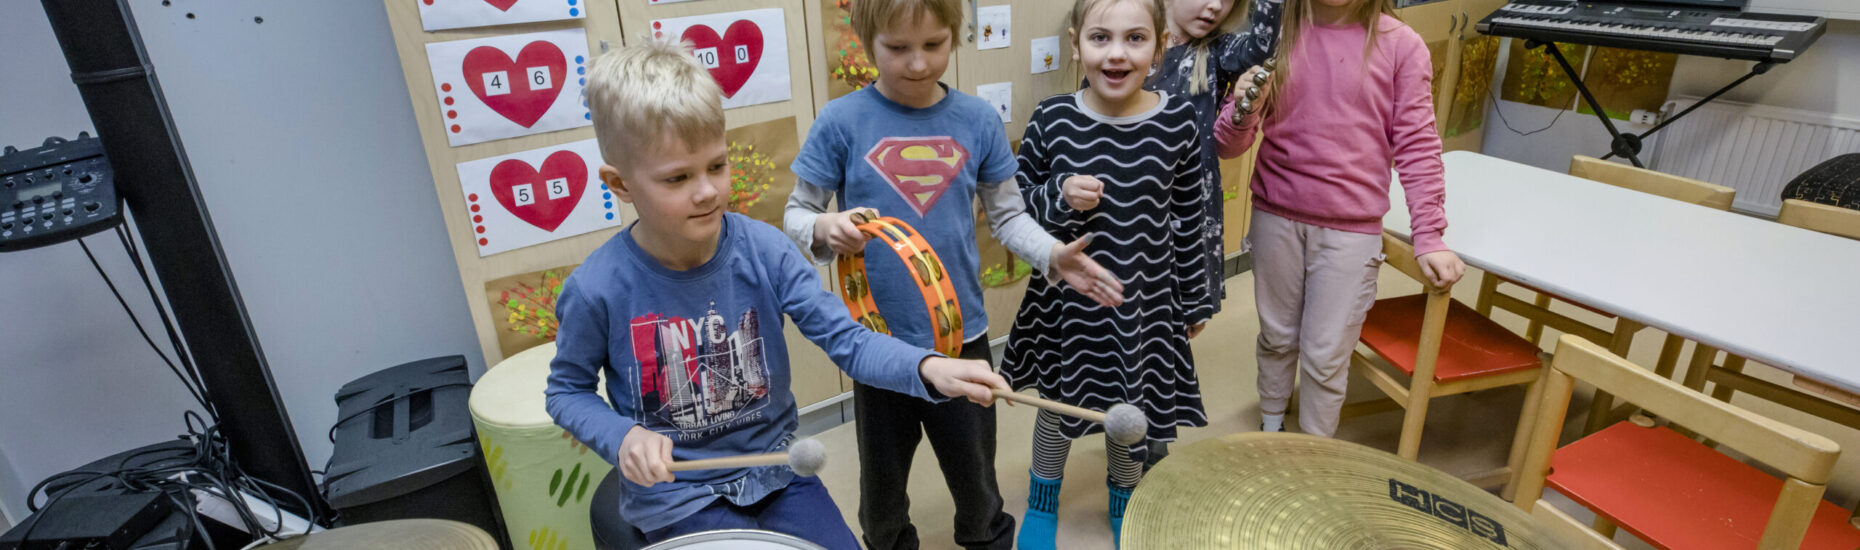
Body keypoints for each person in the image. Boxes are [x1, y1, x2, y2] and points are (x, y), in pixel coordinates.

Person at [546, 40, 1012, 548]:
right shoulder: (596, 288)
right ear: (620, 183)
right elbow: (565, 391)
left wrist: (926, 367)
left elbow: (847, 339)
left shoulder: (765, 249)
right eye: (678, 177)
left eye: (716, 166)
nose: (707, 191)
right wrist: (623, 437)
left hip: (779, 475)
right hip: (675, 495)